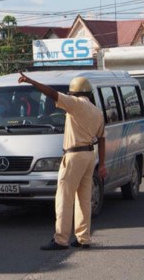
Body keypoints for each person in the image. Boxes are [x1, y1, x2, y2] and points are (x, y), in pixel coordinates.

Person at [18, 71, 106, 250]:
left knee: (64, 198)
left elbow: (51, 93)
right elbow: (102, 138)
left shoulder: (75, 104)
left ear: (73, 93)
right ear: (89, 93)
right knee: (84, 198)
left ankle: (61, 239)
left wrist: (31, 81)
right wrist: (102, 164)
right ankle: (83, 237)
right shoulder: (97, 111)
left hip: (74, 155)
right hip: (90, 155)